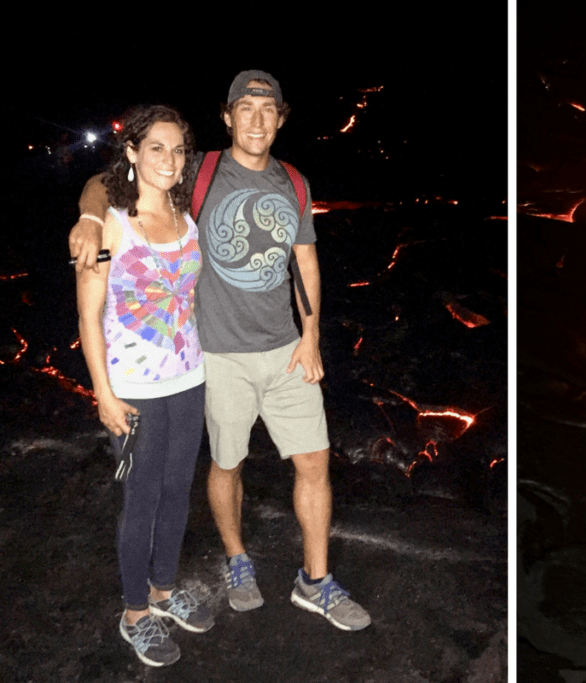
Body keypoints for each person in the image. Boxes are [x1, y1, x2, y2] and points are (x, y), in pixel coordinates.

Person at [70, 70, 371, 632]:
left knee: (308, 463)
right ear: (228, 117)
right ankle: (221, 569)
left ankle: (314, 580)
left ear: (281, 118)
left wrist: (312, 337)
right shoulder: (199, 172)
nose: (256, 118)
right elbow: (109, 182)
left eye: (268, 108)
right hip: (214, 358)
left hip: (259, 358)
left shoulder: (289, 184)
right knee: (214, 468)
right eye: (244, 107)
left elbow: (305, 264)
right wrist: (88, 217)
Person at [76, 104, 215, 667]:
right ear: (132, 152)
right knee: (140, 501)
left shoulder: (188, 217)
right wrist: (104, 394)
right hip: (133, 388)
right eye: (156, 147)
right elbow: (89, 314)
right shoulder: (110, 221)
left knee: (177, 493)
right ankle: (134, 613)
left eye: (179, 149)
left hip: (189, 379)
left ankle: (162, 591)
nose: (170, 158)